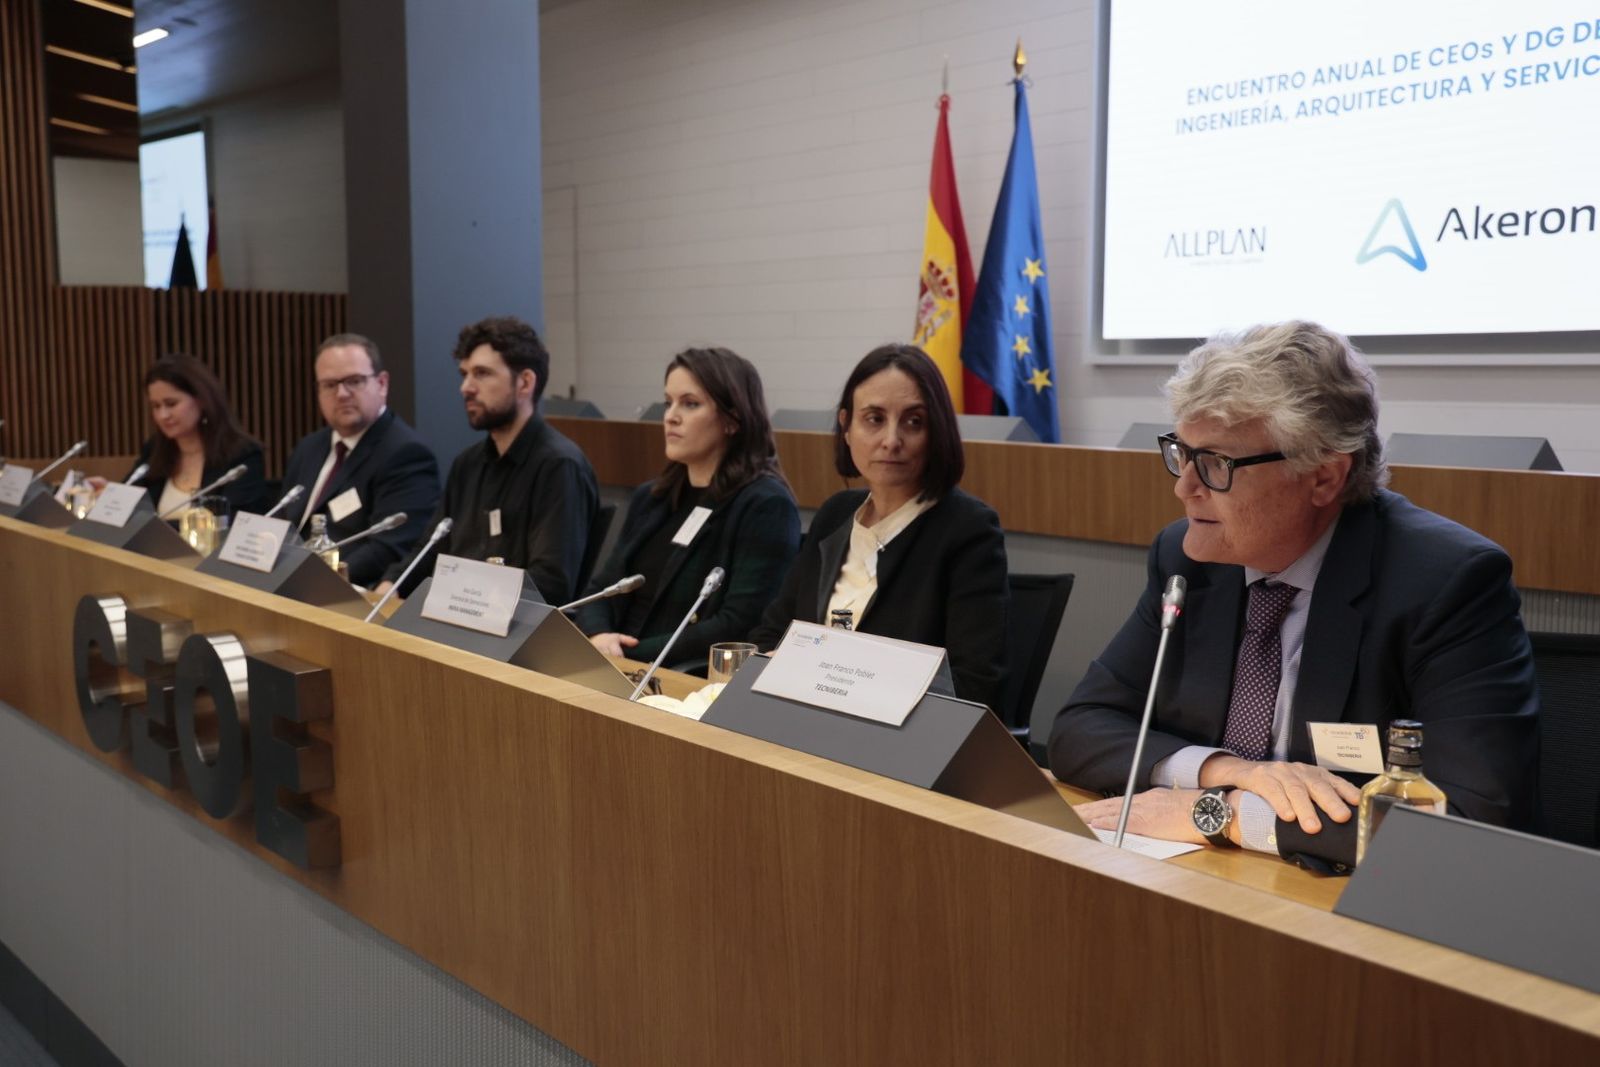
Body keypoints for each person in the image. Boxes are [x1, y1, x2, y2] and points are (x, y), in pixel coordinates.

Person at [1050, 321, 1539, 872]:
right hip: (1205, 877)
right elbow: (1080, 727)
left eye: (1216, 464)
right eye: (1182, 453)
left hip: (1343, 897)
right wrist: (1227, 772)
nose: (1184, 486)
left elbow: (1471, 817)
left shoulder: (1444, 582)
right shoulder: (1188, 560)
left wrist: (1220, 813)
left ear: (1324, 477)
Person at [749, 343, 1009, 713]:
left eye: (914, 422)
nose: (891, 440)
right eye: (874, 419)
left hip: (897, 737)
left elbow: (973, 686)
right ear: (846, 427)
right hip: (797, 719)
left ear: (937, 432)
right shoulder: (835, 514)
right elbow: (772, 635)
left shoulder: (969, 529)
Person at [578, 347, 800, 668]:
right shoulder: (651, 497)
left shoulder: (766, 506)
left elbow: (738, 623)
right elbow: (602, 589)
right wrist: (600, 636)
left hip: (684, 676)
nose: (671, 416)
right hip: (617, 663)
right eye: (668, 402)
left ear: (732, 419)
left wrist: (626, 656)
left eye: (690, 403)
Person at [377, 316, 598, 604]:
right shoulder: (467, 464)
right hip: (457, 614)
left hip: (509, 625)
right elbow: (431, 549)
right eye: (464, 374)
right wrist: (392, 584)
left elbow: (551, 584)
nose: (466, 387)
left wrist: (465, 597)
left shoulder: (559, 466)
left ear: (525, 383)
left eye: (481, 374)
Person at [279, 333, 440, 587]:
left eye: (354, 381)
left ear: (382, 383)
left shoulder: (406, 454)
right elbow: (284, 523)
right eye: (329, 385)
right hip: (288, 586)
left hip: (348, 593)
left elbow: (389, 547)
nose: (342, 394)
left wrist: (310, 580)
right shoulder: (309, 448)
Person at [126, 353, 269, 516]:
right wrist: (108, 494)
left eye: (171, 404)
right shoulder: (153, 451)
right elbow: (129, 509)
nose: (162, 415)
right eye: (156, 406)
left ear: (202, 400)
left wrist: (161, 527)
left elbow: (234, 521)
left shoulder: (241, 455)